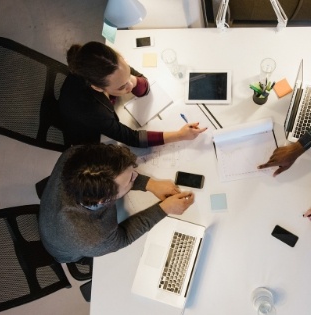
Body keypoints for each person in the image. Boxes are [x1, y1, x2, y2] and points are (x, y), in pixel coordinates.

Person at [39, 143, 195, 263]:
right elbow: (123, 237)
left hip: (53, 212)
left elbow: (117, 175)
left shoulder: (74, 155)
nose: (136, 176)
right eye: (131, 179)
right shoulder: (92, 238)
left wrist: (150, 184)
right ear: (105, 199)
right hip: (67, 249)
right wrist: (164, 209)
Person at [60, 41, 206, 147]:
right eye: (122, 87)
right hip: (92, 139)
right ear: (98, 88)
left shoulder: (108, 64)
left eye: (128, 74)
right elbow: (132, 138)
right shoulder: (92, 111)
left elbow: (144, 88)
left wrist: (129, 80)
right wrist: (179, 135)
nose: (130, 85)